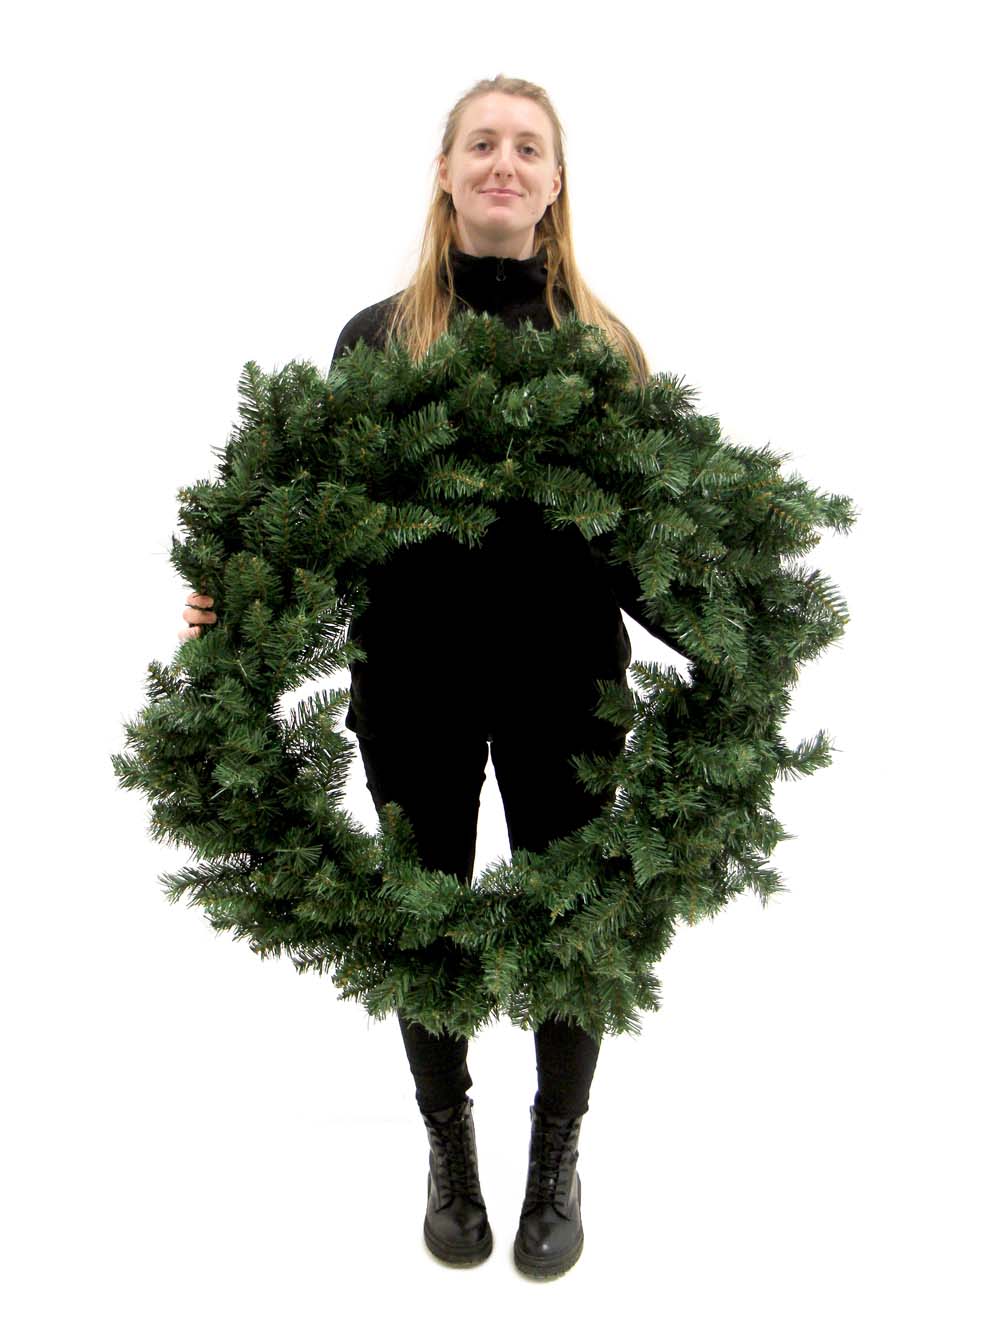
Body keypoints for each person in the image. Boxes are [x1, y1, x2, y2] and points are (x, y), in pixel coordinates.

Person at [179, 74, 687, 1280]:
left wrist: (729, 634)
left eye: (528, 148)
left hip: (567, 688)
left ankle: (555, 1153)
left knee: (573, 923)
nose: (504, 162)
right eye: (482, 144)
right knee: (428, 920)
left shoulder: (603, 347)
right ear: (447, 173)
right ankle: (449, 1147)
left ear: (554, 185)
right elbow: (327, 516)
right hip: (414, 686)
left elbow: (643, 546)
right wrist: (245, 598)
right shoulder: (380, 337)